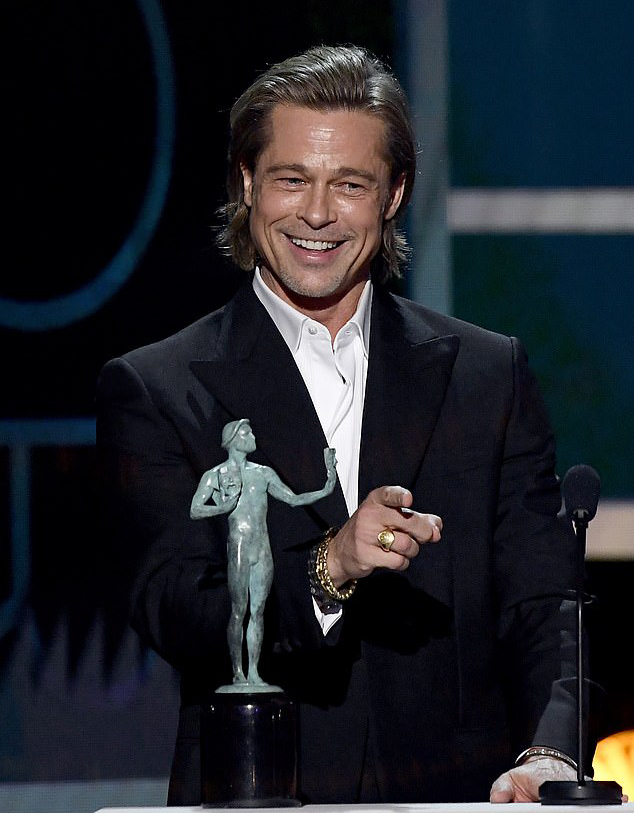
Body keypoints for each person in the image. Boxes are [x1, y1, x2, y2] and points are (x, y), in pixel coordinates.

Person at [97, 45, 583, 805]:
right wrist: (329, 566)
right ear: (247, 182)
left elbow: (545, 601)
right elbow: (175, 608)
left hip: (461, 799)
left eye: (350, 184)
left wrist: (551, 752)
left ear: (393, 195)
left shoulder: (487, 374)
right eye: (292, 179)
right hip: (260, 790)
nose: (317, 214)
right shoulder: (158, 387)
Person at [190, 418, 337, 689]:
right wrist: (221, 508)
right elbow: (195, 509)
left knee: (258, 611)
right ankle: (237, 672)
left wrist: (326, 487)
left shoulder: (263, 473)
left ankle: (254, 672)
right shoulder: (215, 475)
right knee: (239, 610)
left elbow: (292, 499)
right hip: (239, 545)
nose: (253, 437)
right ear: (233, 440)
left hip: (262, 546)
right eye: (247, 433)